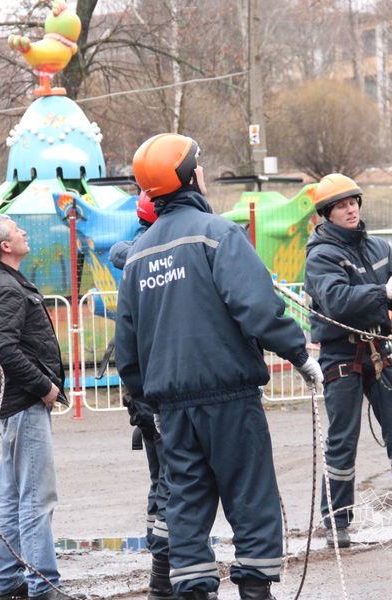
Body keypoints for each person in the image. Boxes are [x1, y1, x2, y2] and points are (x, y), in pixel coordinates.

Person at [115, 133, 323, 600]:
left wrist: (147, 399)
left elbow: (126, 348)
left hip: (171, 407)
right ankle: (254, 590)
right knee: (249, 494)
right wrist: (299, 353)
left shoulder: (139, 257)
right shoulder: (218, 233)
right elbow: (257, 307)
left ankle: (193, 590)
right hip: (228, 396)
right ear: (190, 176)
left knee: (186, 502)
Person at [303, 173, 392, 548]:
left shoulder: (379, 248)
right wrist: (383, 291)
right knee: (342, 442)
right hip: (342, 356)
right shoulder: (321, 256)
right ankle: (337, 523)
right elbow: (337, 300)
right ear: (326, 213)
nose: (350, 209)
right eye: (341, 205)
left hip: (380, 352)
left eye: (353, 202)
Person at [0, 215, 68, 600]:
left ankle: (5, 580)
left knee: (14, 497)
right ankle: (43, 585)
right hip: (23, 404)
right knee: (36, 498)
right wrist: (44, 386)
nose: (23, 231)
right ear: (5, 247)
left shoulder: (0, 280)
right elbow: (2, 348)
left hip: (11, 405)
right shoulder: (6, 287)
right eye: (16, 229)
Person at [109, 193, 194, 600]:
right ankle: (165, 576)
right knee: (173, 484)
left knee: (162, 482)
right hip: (162, 394)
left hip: (146, 394)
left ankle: (163, 571)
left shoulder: (137, 258)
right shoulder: (158, 258)